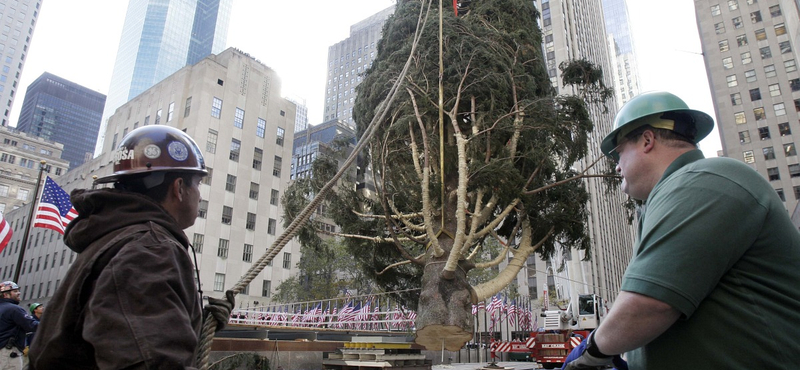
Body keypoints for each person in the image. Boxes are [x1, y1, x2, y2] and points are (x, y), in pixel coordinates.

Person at [562, 91, 800, 370]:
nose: (616, 165)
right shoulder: (677, 193)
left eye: (618, 152)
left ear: (647, 141)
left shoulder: (704, 180)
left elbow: (651, 304)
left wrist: (592, 351)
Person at [28, 126, 235, 369]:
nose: (199, 196)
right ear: (179, 188)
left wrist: (195, 322)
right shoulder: (149, 251)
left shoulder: (119, 238)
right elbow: (149, 361)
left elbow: (130, 335)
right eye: (198, 184)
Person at [0, 282, 38, 370]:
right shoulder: (14, 309)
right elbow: (31, 325)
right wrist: (50, 324)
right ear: (6, 294)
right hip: (9, 353)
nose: (19, 293)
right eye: (15, 291)